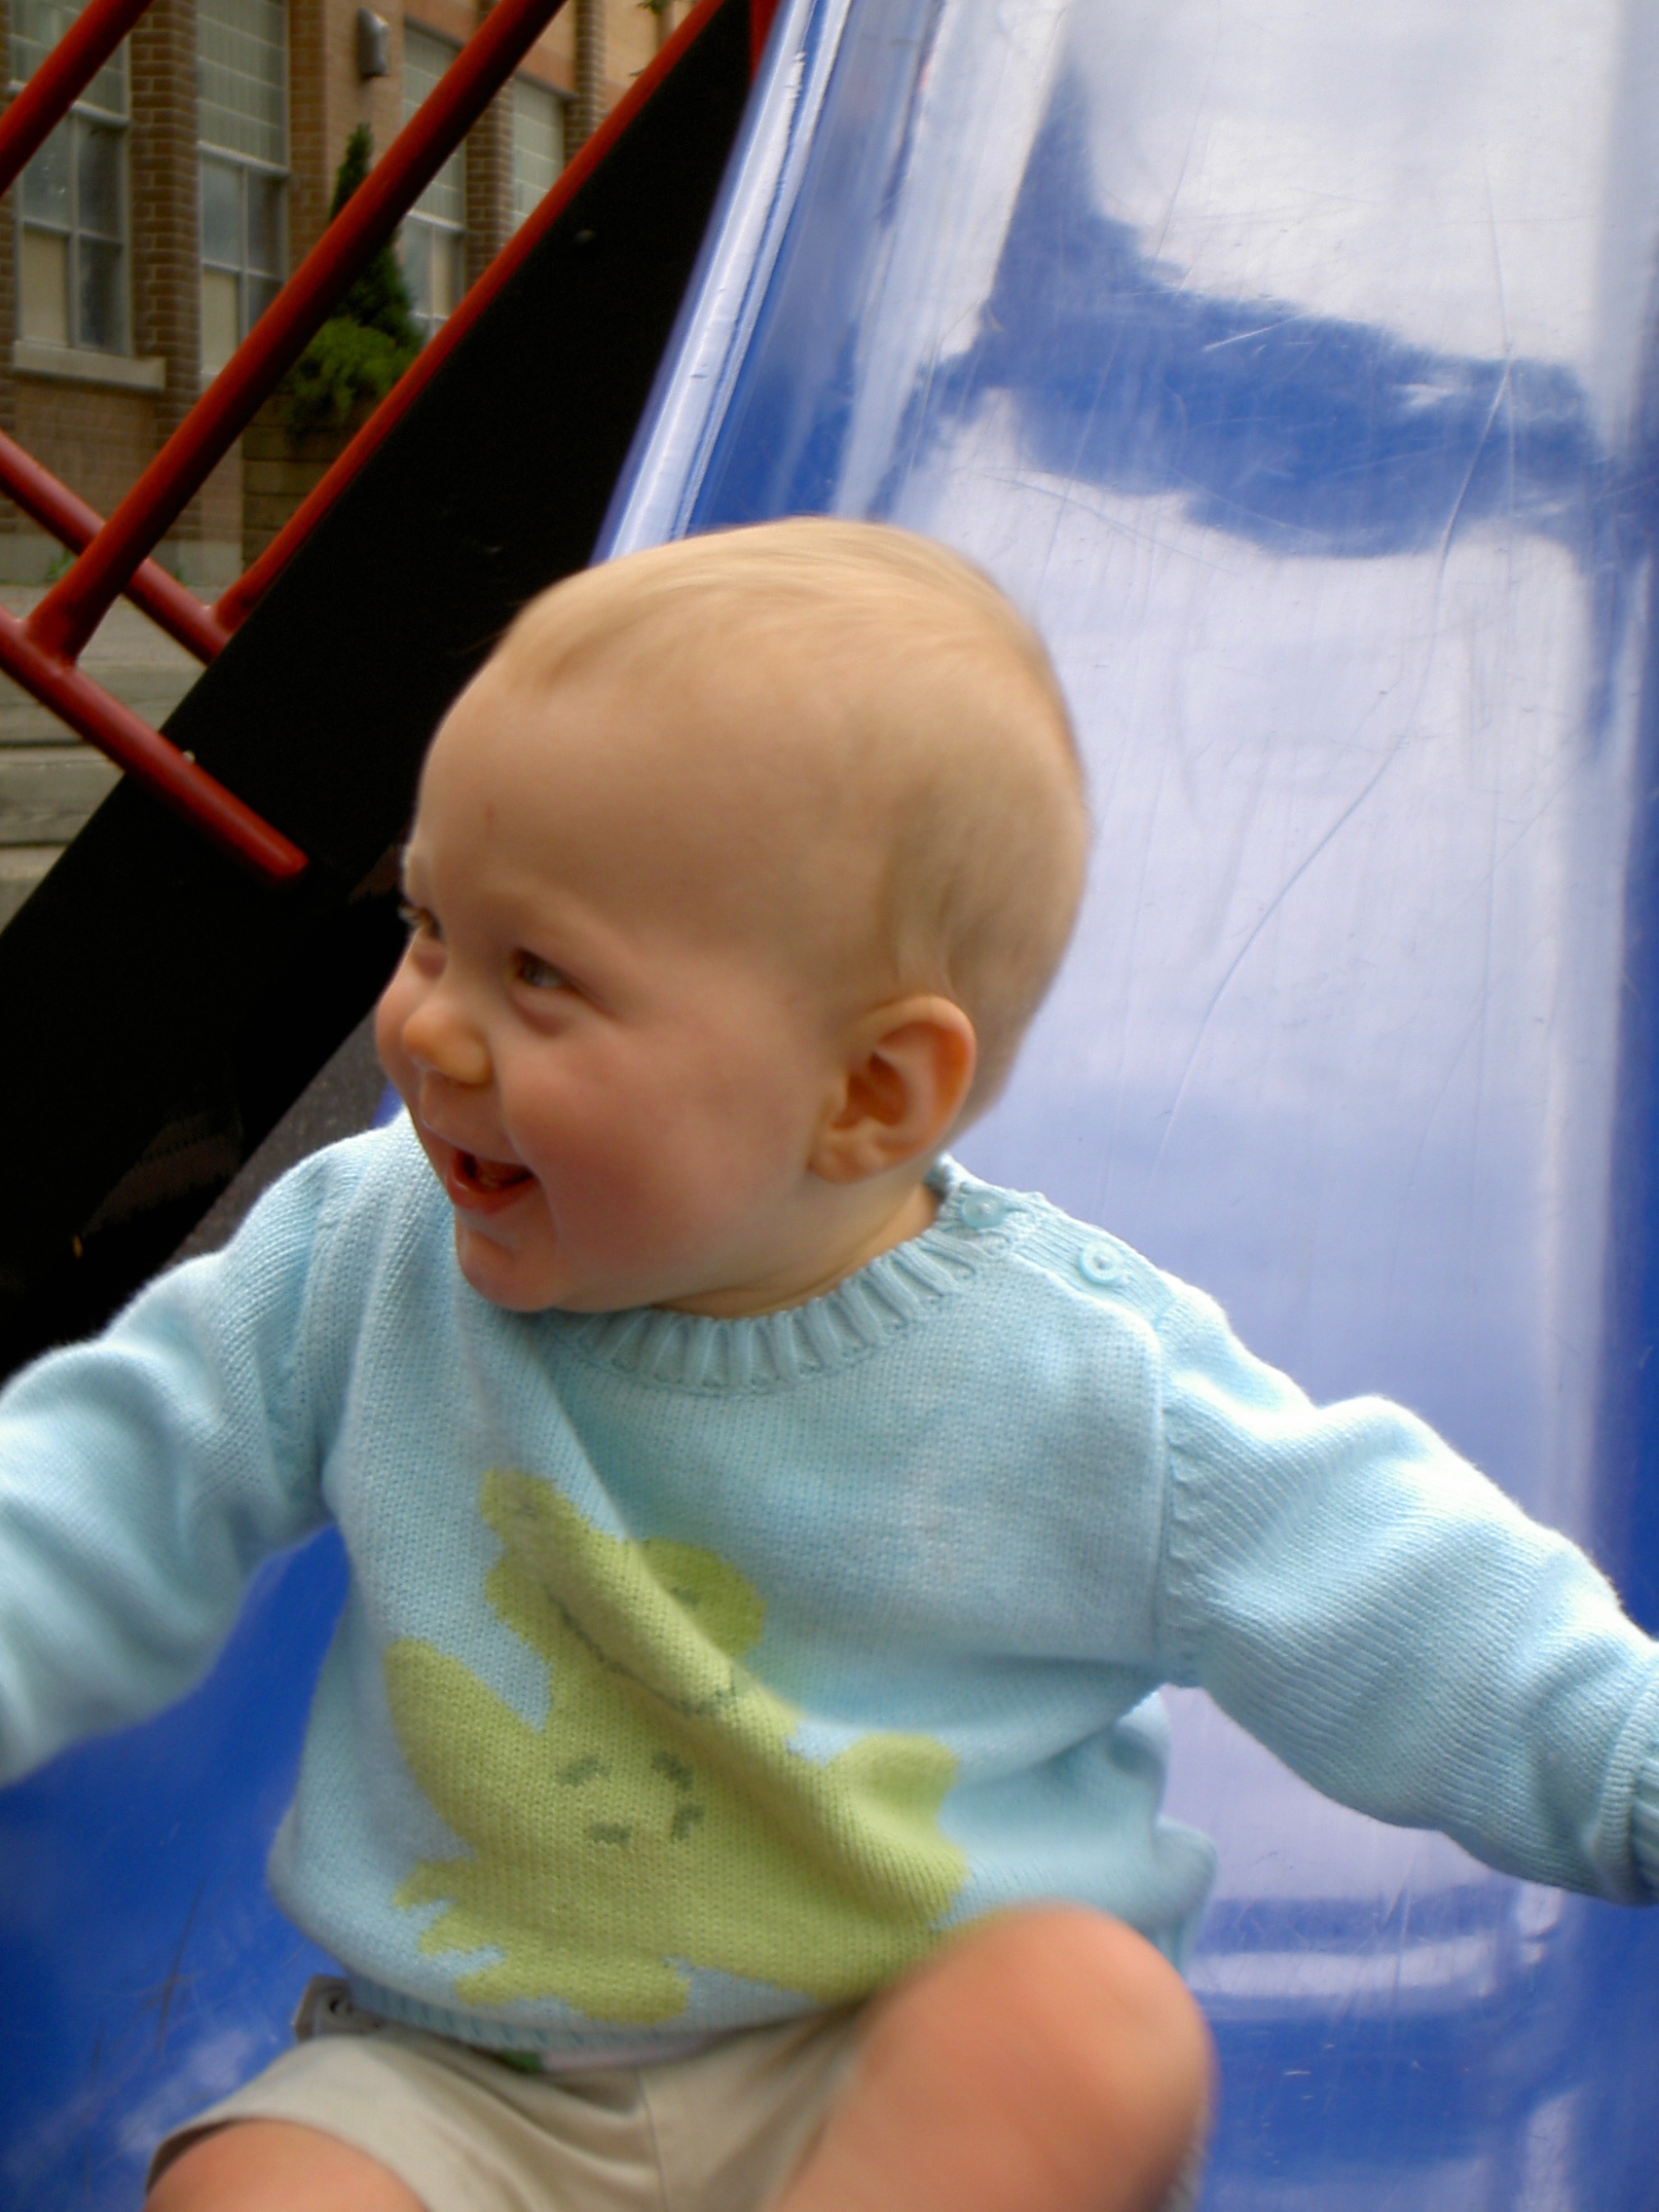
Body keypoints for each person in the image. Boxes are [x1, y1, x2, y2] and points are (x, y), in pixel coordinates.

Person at [2, 520, 1655, 2212]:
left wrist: (1634, 1762)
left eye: (537, 974)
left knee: (1084, 2021)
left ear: (865, 1095)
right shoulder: (366, 1249)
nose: (424, 1025)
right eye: (429, 931)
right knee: (256, 2185)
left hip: (881, 2079)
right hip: (459, 2076)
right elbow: (117, 1475)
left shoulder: (1078, 1383)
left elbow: (1404, 1602)